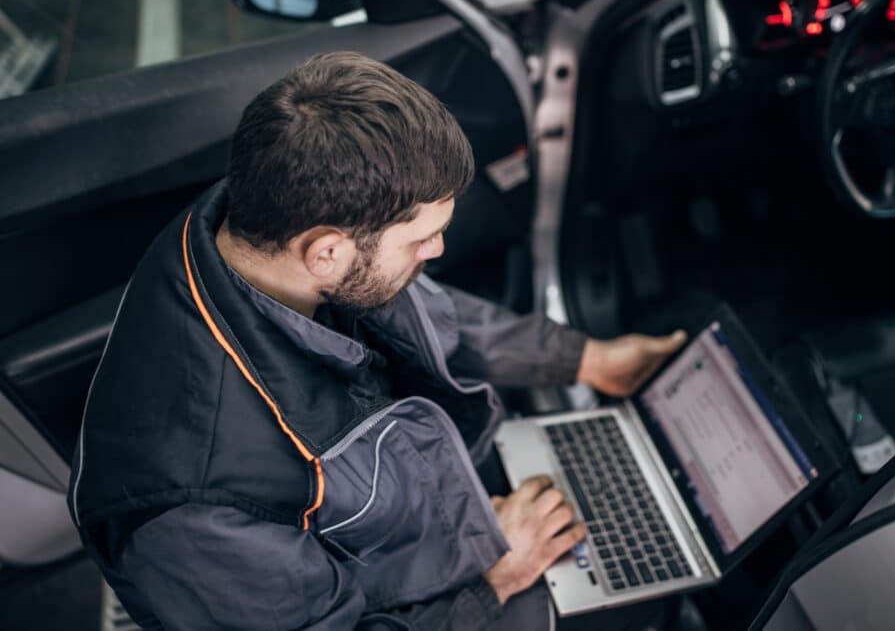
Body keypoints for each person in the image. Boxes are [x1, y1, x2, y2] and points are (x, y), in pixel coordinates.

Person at [68, 52, 686, 630]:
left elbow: (424, 311)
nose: (437, 251)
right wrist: (495, 581)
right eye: (422, 240)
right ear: (326, 253)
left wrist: (585, 359)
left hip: (436, 516)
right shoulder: (198, 512)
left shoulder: (246, 230)